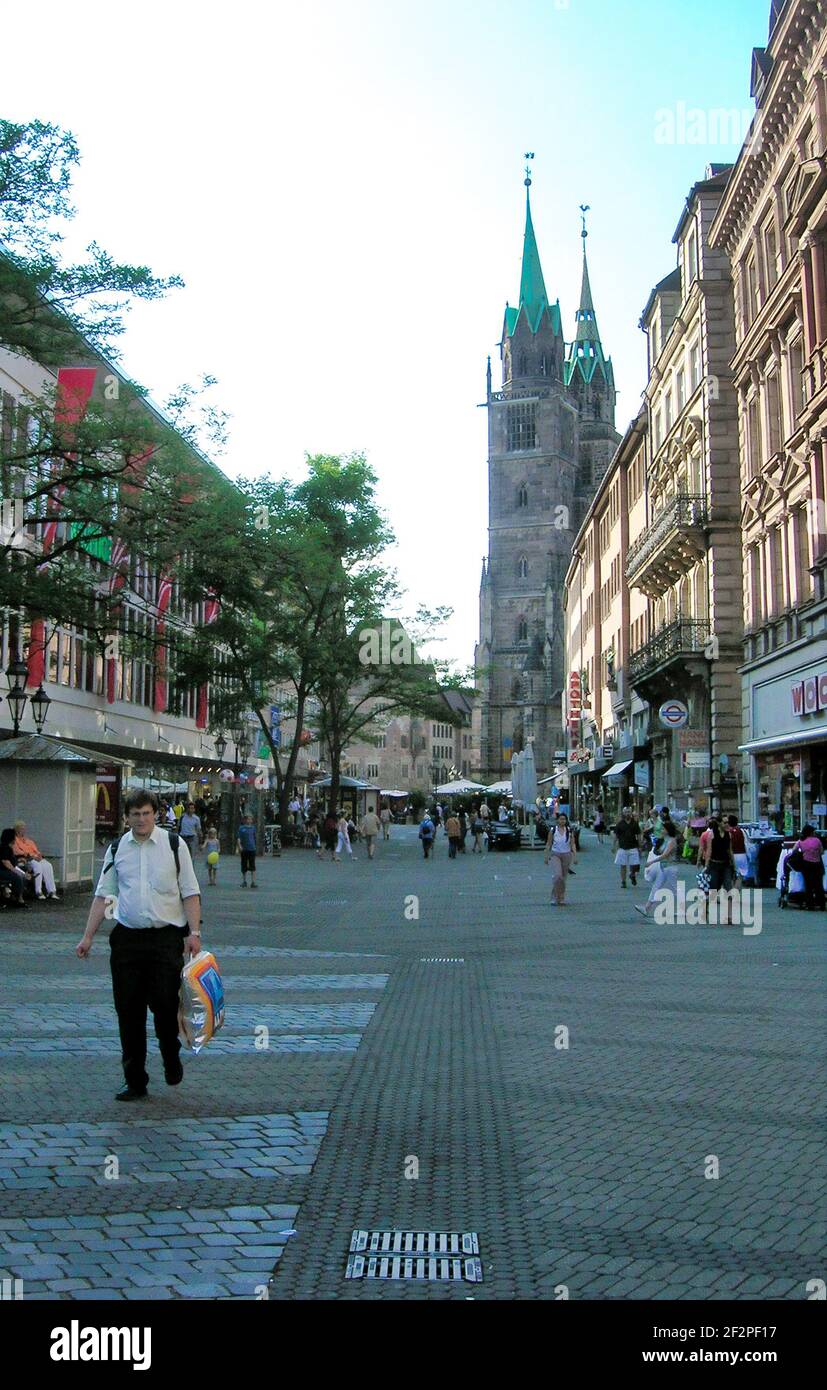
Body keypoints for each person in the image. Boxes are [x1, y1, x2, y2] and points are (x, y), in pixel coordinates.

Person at [76, 788, 202, 1101]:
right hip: (128, 940)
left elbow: (190, 892)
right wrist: (88, 936)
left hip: (165, 940)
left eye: (146, 813)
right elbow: (103, 895)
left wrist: (194, 932)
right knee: (128, 1011)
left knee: (165, 1006)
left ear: (156, 814)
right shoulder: (117, 848)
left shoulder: (174, 845)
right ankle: (135, 1080)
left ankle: (170, 1056)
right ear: (126, 817)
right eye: (135, 814)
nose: (142, 819)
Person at [635, 813, 679, 919]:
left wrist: (651, 862)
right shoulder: (665, 840)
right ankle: (646, 908)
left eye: (663, 829)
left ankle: (682, 909)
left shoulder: (672, 841)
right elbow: (660, 852)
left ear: (668, 830)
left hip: (670, 868)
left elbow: (665, 855)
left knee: (675, 889)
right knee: (656, 887)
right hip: (664, 867)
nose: (662, 830)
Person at [11, 821, 59, 899]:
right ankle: (38, 891)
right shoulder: (14, 841)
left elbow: (36, 851)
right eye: (21, 829)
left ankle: (51, 891)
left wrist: (39, 855)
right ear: (16, 830)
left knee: (48, 865)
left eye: (24, 828)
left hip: (35, 858)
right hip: (26, 859)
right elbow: (17, 852)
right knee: (38, 866)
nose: (23, 830)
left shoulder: (28, 841)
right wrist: (32, 856)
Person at [544, 813, 577, 905]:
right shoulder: (553, 830)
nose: (562, 821)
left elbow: (572, 844)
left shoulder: (569, 831)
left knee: (563, 878)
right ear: (557, 820)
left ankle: (561, 897)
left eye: (564, 819)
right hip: (555, 854)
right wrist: (546, 856)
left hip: (566, 855)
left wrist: (575, 856)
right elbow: (549, 843)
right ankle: (554, 897)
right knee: (558, 876)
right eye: (561, 819)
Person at [791, 824, 826, 911]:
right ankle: (821, 904)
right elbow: (822, 852)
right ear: (810, 832)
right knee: (818, 885)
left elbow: (794, 850)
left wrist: (803, 852)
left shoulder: (801, 841)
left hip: (806, 865)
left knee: (808, 885)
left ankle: (810, 904)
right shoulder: (817, 840)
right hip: (817, 864)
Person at [613, 807, 642, 887]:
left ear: (631, 813)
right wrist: (614, 845)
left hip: (633, 847)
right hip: (622, 847)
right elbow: (616, 835)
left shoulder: (634, 823)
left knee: (634, 865)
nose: (627, 813)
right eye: (626, 812)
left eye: (629, 812)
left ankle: (632, 875)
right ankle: (623, 881)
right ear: (623, 813)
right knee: (623, 865)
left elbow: (638, 835)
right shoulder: (620, 824)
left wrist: (640, 846)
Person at [0, 828, 28, 908]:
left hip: (7, 869)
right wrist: (16, 871)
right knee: (17, 877)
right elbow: (5, 862)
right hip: (2, 870)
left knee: (23, 872)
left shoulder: (9, 848)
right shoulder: (4, 848)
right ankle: (19, 899)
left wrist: (19, 860)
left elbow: (11, 861)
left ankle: (15, 896)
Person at [726, 814, 750, 882]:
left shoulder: (728, 832)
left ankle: (733, 885)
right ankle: (738, 885)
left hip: (733, 855)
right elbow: (746, 843)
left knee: (732, 874)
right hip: (742, 854)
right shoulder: (742, 831)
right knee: (741, 874)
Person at [237, 813, 258, 888]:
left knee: (253, 865)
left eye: (250, 819)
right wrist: (239, 846)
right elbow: (239, 838)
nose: (249, 820)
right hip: (244, 849)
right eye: (248, 819)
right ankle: (244, 881)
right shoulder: (241, 828)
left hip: (252, 849)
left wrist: (255, 846)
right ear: (245, 820)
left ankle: (253, 882)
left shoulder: (253, 828)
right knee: (244, 865)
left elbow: (254, 838)